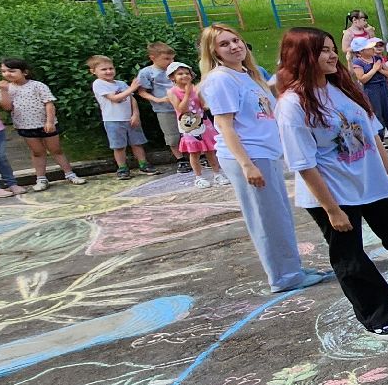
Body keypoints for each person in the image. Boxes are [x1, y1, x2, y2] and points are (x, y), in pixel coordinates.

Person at [274, 27, 388, 341]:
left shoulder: (343, 87)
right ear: (301, 56)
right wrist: (332, 209)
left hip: (373, 184)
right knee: (350, 257)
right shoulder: (292, 104)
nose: (331, 55)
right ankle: (376, 316)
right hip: (333, 193)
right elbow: (303, 163)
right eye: (322, 50)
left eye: (330, 48)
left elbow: (372, 135)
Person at [200, 24, 328, 295]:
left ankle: (290, 268)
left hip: (265, 153)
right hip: (250, 155)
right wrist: (246, 164)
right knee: (265, 218)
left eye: (236, 40)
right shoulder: (221, 79)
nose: (234, 47)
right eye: (225, 44)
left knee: (278, 214)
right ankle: (283, 276)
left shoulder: (246, 75)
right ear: (213, 51)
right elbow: (225, 125)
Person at [0, 59, 81, 190]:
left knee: (56, 150)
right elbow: (7, 107)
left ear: (24, 72)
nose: (7, 74)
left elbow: (49, 103)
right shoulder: (6, 89)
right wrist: (4, 91)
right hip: (25, 125)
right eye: (3, 71)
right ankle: (41, 179)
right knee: (37, 152)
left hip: (45, 123)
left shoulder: (37, 85)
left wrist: (50, 121)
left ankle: (70, 174)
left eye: (12, 71)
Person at [87, 55, 153, 177]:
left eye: (111, 68)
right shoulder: (98, 84)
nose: (108, 71)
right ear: (93, 71)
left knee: (137, 142)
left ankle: (143, 164)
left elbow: (131, 99)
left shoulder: (121, 83)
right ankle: (122, 168)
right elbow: (115, 98)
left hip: (130, 118)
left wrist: (135, 114)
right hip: (113, 120)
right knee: (118, 146)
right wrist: (132, 88)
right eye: (104, 69)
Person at [168, 61, 224, 189]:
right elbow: (181, 109)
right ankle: (199, 177)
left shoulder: (195, 89)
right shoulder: (172, 92)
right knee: (194, 152)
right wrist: (187, 94)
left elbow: (203, 105)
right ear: (172, 77)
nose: (184, 76)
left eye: (187, 73)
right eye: (180, 74)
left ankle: (217, 174)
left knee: (211, 150)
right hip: (188, 126)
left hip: (203, 122)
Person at [135, 42, 188, 173]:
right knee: (172, 135)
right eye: (166, 59)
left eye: (172, 59)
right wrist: (157, 99)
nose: (170, 62)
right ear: (153, 57)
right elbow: (142, 91)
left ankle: (200, 155)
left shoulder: (176, 69)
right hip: (164, 109)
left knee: (190, 131)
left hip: (183, 106)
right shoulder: (147, 72)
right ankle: (180, 159)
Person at [350, 37, 388, 146]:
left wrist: (381, 70)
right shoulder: (358, 62)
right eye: (369, 48)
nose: (373, 49)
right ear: (361, 51)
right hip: (371, 89)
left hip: (383, 86)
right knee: (377, 112)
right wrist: (374, 69)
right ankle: (380, 138)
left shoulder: (377, 58)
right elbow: (362, 78)